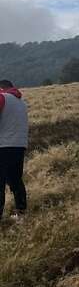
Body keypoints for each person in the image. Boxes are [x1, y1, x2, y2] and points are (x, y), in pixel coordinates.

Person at [0, 79, 28, 221]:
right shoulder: (22, 102)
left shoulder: (2, 97)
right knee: (15, 179)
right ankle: (21, 213)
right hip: (20, 145)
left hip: (3, 146)